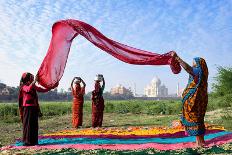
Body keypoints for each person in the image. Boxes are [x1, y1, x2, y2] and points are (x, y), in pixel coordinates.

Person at [172, 52, 208, 147]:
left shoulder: (198, 71)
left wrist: (178, 59)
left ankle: (200, 143)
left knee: (195, 119)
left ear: (200, 64)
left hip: (195, 101)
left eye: (194, 63)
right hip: (196, 101)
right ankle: (199, 141)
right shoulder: (201, 75)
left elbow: (188, 69)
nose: (193, 64)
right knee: (197, 119)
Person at [18, 72, 49, 146]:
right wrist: (35, 81)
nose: (32, 80)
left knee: (34, 125)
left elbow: (41, 90)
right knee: (28, 125)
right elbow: (28, 90)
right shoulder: (24, 87)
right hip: (27, 108)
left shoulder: (33, 86)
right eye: (31, 78)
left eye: (33, 78)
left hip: (34, 108)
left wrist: (50, 87)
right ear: (27, 79)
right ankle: (27, 141)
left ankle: (34, 141)